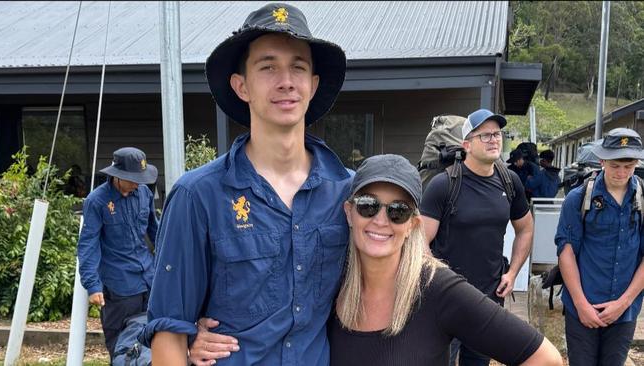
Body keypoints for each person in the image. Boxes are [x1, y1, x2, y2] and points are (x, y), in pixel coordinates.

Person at [141, 3, 351, 365]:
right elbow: (168, 332)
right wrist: (188, 340)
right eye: (267, 67)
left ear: (313, 85)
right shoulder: (198, 195)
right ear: (241, 86)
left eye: (298, 67)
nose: (286, 81)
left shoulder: (349, 192)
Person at [329, 154, 562, 365]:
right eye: (367, 205)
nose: (380, 220)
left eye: (397, 211)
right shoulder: (330, 285)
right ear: (349, 212)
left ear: (413, 224)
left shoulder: (436, 288)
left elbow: (545, 358)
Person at [420, 108, 535, 366]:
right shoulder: (444, 185)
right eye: (485, 135)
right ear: (467, 145)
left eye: (497, 134)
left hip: (488, 301)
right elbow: (420, 242)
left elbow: (525, 228)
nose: (494, 139)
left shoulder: (510, 182)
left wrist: (513, 272)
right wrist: (439, 283)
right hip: (446, 301)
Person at [555, 128, 644, 366]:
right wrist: (581, 305)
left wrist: (623, 303)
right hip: (582, 306)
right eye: (615, 165)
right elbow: (566, 252)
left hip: (624, 311)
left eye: (629, 166)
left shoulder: (642, 199)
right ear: (602, 160)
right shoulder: (579, 198)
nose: (622, 173)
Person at [77, 147, 159, 359]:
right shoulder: (97, 201)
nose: (137, 183)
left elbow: (155, 231)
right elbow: (88, 244)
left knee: (154, 339)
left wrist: (169, 265)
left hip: (148, 280)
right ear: (117, 177)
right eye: (133, 179)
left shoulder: (144, 194)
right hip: (120, 286)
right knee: (121, 345)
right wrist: (92, 285)